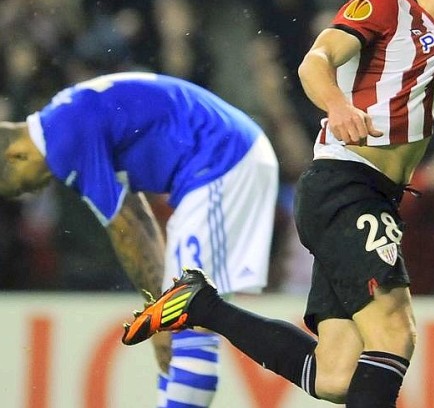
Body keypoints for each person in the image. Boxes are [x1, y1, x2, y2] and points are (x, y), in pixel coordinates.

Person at [121, 0, 434, 407]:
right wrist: (338, 105)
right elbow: (314, 63)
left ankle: (201, 304)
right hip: (345, 184)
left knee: (335, 375)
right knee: (395, 331)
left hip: (372, 197)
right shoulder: (384, 3)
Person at [0, 71, 279, 408]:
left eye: (17, 185)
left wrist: (157, 315)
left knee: (187, 325)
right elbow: (138, 214)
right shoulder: (61, 119)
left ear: (13, 155)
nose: (29, 192)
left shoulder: (62, 144)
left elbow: (126, 228)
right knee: (183, 324)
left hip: (221, 161)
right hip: (219, 161)